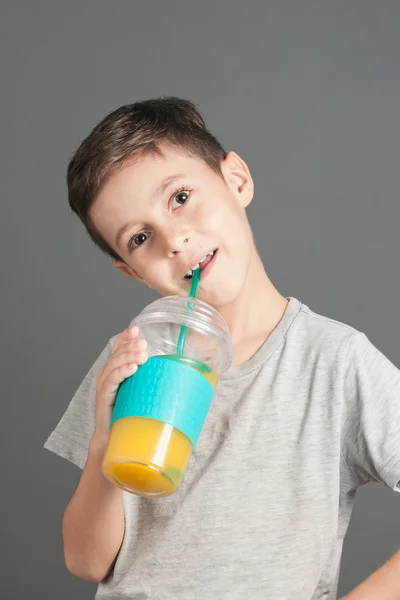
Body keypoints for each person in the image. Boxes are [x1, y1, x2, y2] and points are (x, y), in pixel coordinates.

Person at [44, 97, 400, 600]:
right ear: (132, 272)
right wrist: (105, 438)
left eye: (180, 196)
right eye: (140, 237)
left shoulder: (332, 361)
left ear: (237, 179)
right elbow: (85, 561)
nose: (173, 240)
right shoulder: (134, 356)